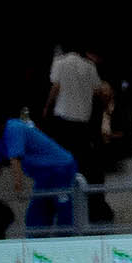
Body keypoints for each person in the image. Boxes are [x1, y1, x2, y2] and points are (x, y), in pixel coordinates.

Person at [44, 41, 113, 225]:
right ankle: (94, 207)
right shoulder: (89, 66)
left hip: (63, 121)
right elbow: (99, 91)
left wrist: (47, 107)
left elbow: (55, 87)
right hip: (83, 124)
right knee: (86, 164)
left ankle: (62, 206)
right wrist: (107, 108)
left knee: (65, 163)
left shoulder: (60, 62)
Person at [0, 113, 81, 231]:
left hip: (61, 168)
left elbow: (15, 160)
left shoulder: (13, 128)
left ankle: (67, 238)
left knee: (63, 209)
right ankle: (37, 238)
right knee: (35, 217)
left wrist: (18, 188)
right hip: (43, 175)